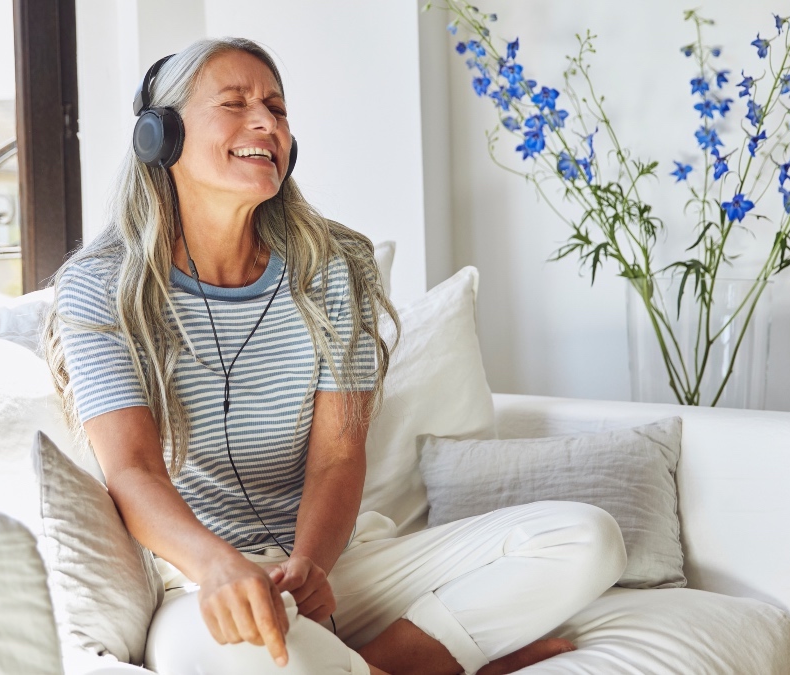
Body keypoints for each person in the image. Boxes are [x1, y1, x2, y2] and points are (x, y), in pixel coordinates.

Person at [43, 37, 626, 675]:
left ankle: (371, 661)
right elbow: (133, 472)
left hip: (334, 563)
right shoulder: (100, 286)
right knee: (267, 659)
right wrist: (218, 567)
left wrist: (313, 567)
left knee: (588, 540)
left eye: (277, 108)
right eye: (234, 104)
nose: (265, 122)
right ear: (162, 137)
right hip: (198, 580)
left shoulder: (334, 269)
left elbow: (338, 457)